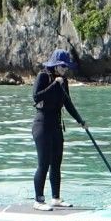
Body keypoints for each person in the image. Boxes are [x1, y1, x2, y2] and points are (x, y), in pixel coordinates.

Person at [31, 48, 87, 211]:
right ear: (54, 66)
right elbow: (36, 97)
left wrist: (80, 120)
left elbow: (68, 103)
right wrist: (54, 84)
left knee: (56, 163)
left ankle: (55, 198)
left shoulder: (64, 81)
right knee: (44, 164)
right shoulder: (43, 76)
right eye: (62, 66)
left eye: (66, 67)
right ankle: (39, 201)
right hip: (42, 126)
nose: (65, 70)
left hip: (56, 126)